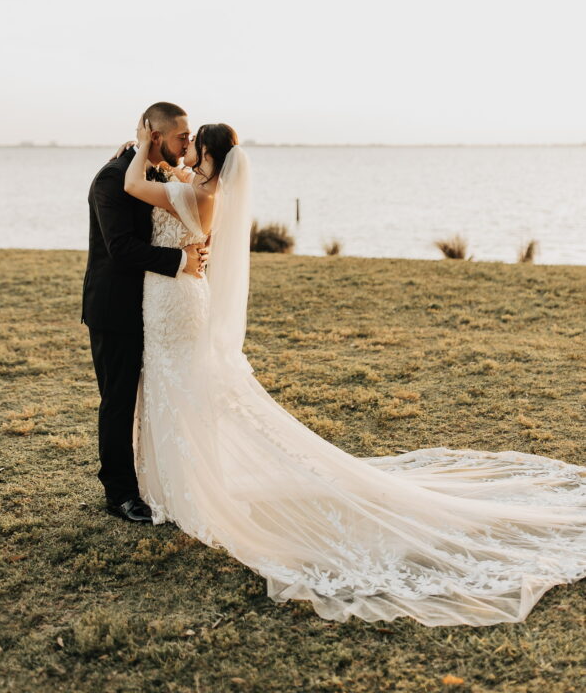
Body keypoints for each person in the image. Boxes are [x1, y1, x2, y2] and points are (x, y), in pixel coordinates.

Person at [117, 114, 586, 627]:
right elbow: (166, 186)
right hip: (171, 299)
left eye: (193, 145)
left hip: (177, 304)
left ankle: (186, 490)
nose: (185, 150)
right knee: (176, 387)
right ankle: (173, 486)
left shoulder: (200, 195)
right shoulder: (198, 187)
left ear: (207, 156)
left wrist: (143, 145)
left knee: (180, 386)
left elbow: (134, 184)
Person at [81, 102, 209, 523]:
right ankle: (119, 493)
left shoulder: (159, 173)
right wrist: (179, 261)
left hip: (156, 308)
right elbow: (120, 248)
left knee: (155, 398)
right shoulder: (111, 178)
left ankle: (159, 480)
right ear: (156, 137)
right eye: (181, 137)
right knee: (118, 402)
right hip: (115, 308)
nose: (187, 143)